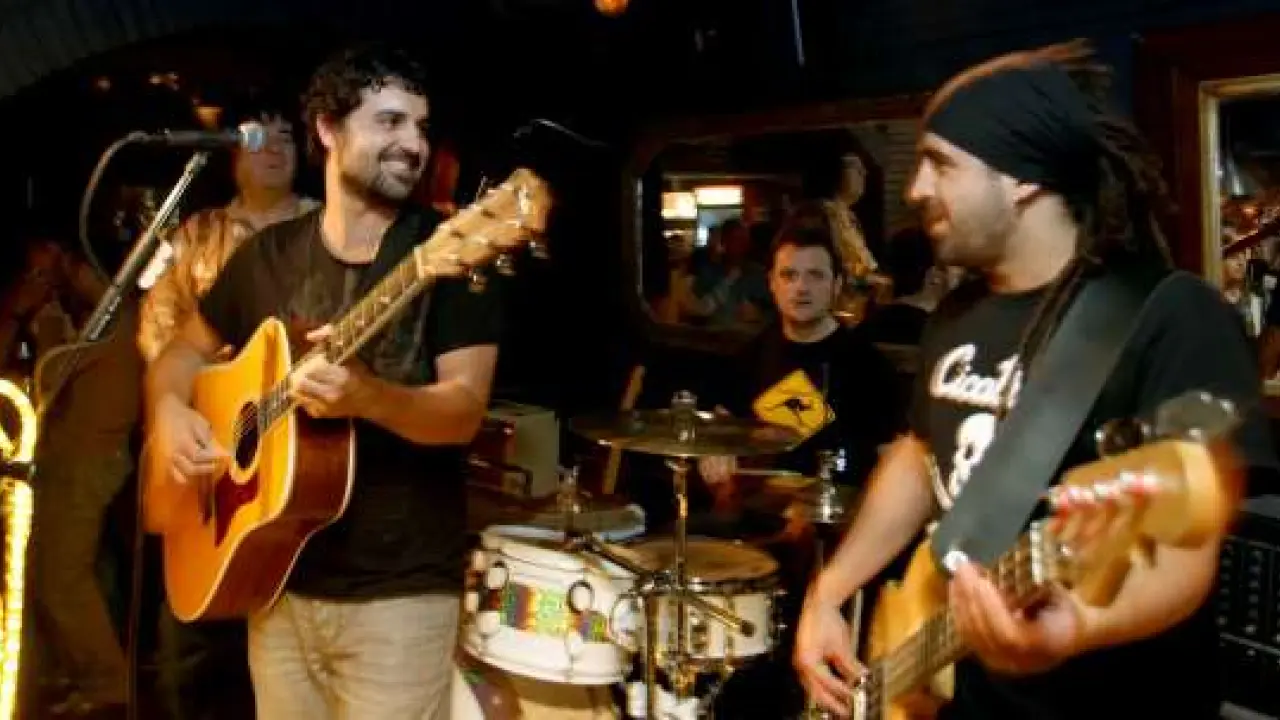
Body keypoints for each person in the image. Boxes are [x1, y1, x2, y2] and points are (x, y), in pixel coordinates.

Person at [793, 40, 1277, 720]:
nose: (915, 188)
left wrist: (1078, 627)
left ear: (1022, 178)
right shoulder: (957, 313)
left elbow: (1185, 552)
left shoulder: (1173, 316)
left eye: (940, 163)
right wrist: (830, 591)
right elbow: (921, 452)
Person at [144, 44, 500, 719]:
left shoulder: (449, 252)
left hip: (397, 595)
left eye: (421, 127)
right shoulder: (266, 257)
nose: (413, 144)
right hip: (274, 577)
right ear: (329, 130)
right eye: (389, 122)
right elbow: (180, 354)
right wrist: (167, 410)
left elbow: (462, 412)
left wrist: (371, 396)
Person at [138, 93, 318, 719]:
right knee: (188, 652)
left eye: (287, 135)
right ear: (233, 155)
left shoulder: (325, 229)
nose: (274, 147)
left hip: (294, 465)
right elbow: (159, 332)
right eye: (258, 135)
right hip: (208, 458)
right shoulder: (196, 234)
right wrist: (184, 406)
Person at [11, 235, 141, 718]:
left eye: (54, 269)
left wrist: (43, 324)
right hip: (70, 461)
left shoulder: (116, 319)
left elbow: (51, 374)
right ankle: (76, 673)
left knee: (63, 576)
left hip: (89, 464)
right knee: (50, 571)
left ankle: (108, 684)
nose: (53, 280)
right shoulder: (99, 319)